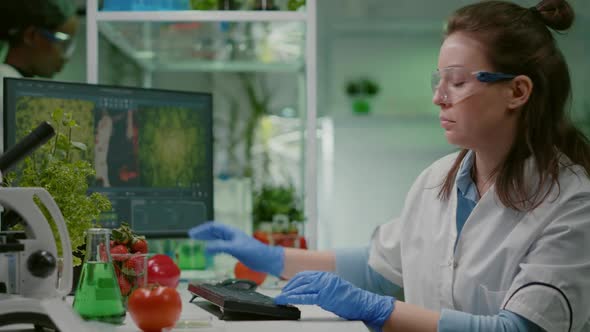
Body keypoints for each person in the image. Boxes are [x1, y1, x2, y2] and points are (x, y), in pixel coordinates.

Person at [189, 0, 590, 331]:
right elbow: (380, 267)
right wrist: (272, 258)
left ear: (517, 91)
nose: (439, 97)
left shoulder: (571, 206)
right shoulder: (438, 181)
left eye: (457, 81)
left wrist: (379, 310)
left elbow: (519, 329)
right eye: (439, 79)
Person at [0, 0, 79, 149]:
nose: (66, 57)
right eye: (64, 43)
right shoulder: (4, 92)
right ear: (31, 36)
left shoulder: (20, 89)